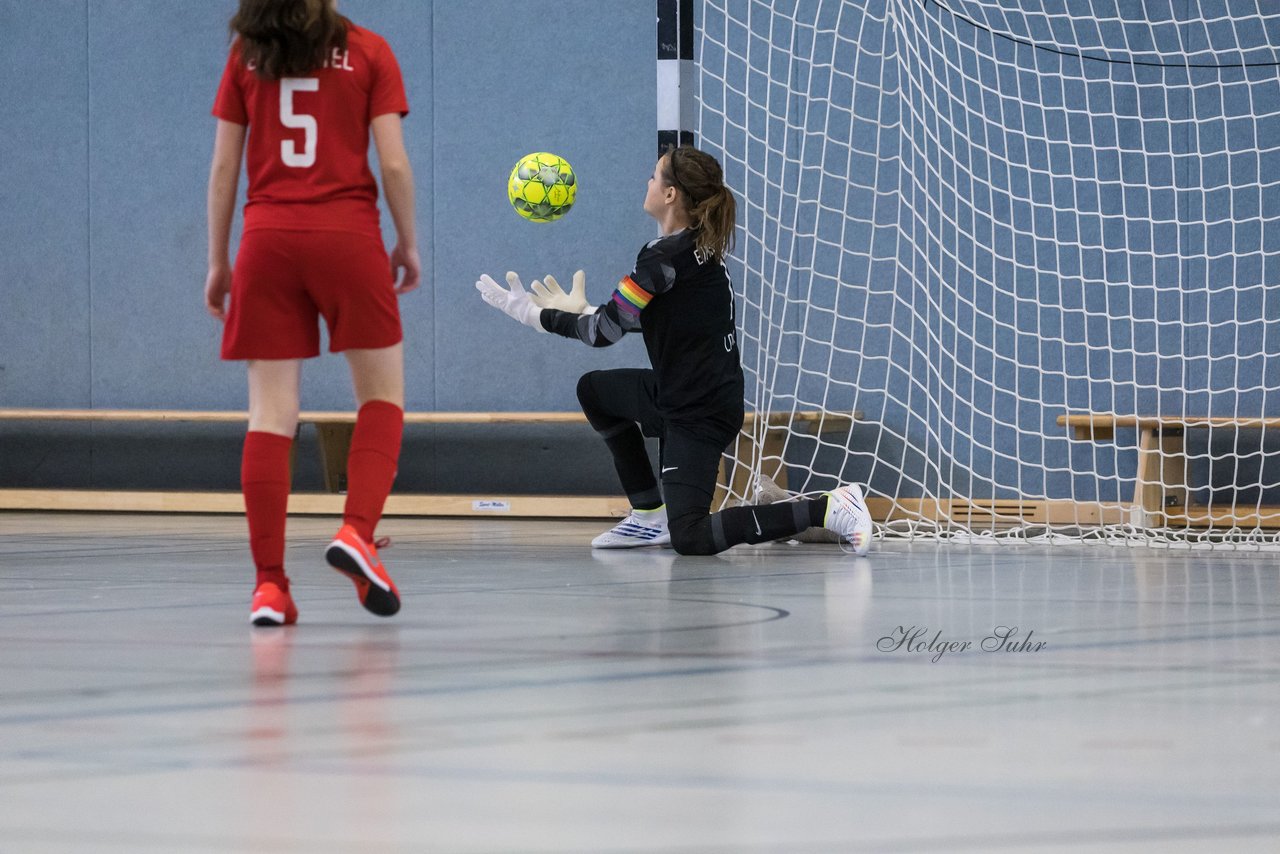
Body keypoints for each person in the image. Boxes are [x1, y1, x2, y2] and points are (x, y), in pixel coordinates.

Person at [476, 146, 872, 556]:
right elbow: (646, 321)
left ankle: (827, 508)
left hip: (699, 412)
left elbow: (602, 335)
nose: (647, 183)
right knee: (594, 390)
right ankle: (648, 515)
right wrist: (588, 311)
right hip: (679, 392)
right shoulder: (693, 249)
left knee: (692, 536)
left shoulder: (661, 258)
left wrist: (534, 314)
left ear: (670, 195)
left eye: (654, 176)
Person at [205, 0, 419, 625]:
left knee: (270, 414)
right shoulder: (370, 50)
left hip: (266, 241)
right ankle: (355, 531)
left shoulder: (248, 52)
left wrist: (219, 260)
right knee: (382, 397)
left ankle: (269, 586)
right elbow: (395, 162)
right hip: (347, 238)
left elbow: (224, 167)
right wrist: (406, 242)